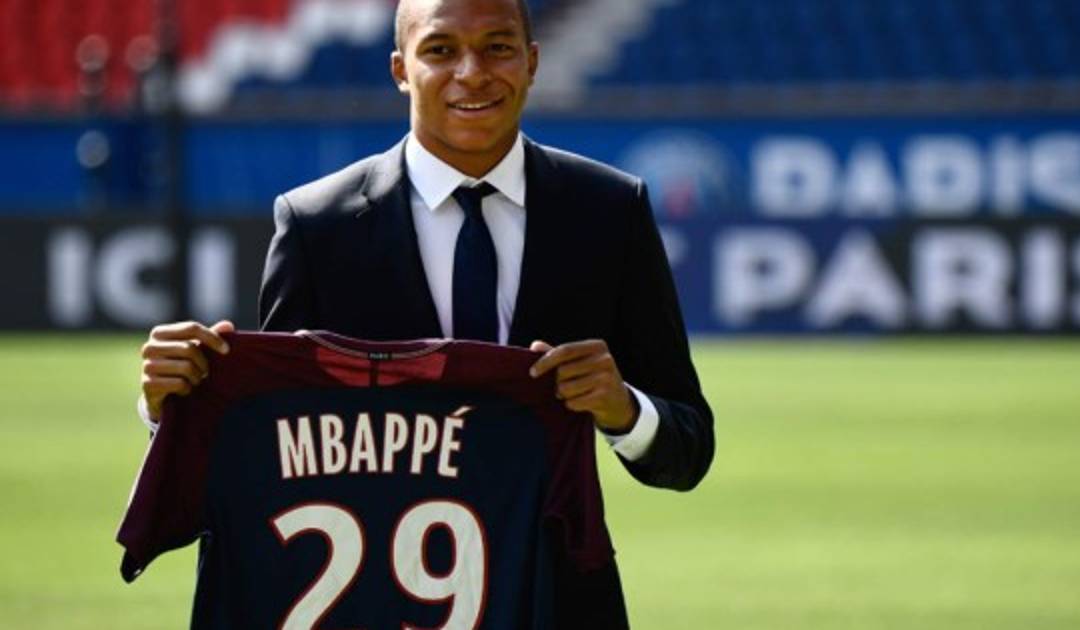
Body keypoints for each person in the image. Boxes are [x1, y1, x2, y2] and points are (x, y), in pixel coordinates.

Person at [136, 0, 714, 624]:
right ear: (400, 70)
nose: (472, 72)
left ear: (531, 61)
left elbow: (689, 449)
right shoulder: (316, 226)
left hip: (554, 603)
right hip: (368, 605)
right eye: (440, 50)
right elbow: (272, 451)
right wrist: (171, 405)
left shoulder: (609, 210)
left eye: (497, 47)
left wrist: (624, 410)